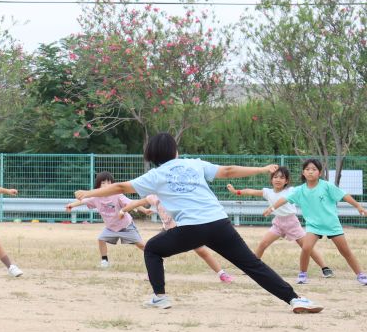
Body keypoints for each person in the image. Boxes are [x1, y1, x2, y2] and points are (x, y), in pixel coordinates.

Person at [73, 132, 322, 313]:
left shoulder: (155, 175)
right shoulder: (193, 164)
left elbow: (119, 186)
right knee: (251, 264)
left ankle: (160, 297)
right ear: (174, 151)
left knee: (153, 249)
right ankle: (295, 299)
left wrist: (88, 193)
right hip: (219, 223)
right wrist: (261, 170)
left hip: (191, 229)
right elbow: (228, 171)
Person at [265, 158, 367, 286]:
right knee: (306, 248)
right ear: (303, 172)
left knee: (345, 251)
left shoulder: (327, 186)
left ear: (319, 172)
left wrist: (358, 206)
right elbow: (284, 199)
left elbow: (344, 195)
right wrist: (272, 208)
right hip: (313, 226)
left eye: (314, 169)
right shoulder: (299, 190)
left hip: (332, 224)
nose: (310, 172)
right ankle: (302, 274)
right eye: (307, 169)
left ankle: (360, 275)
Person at [226, 166, 331, 279]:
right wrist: (235, 191)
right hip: (278, 223)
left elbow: (300, 194)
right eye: (275, 177)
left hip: (292, 223)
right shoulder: (268, 192)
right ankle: (252, 268)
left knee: (306, 247)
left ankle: (325, 268)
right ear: (271, 179)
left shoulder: (291, 191)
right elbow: (250, 191)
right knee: (262, 244)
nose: (278, 179)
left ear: (286, 181)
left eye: (282, 177)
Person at [121, 194, 234, 283]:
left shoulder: (174, 194)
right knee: (153, 250)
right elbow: (136, 203)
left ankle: (222, 274)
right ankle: (153, 274)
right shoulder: (153, 197)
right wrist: (122, 210)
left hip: (183, 228)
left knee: (201, 251)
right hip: (168, 230)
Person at [65, 171, 144, 268]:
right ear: (98, 185)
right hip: (110, 227)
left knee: (141, 245)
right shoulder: (96, 197)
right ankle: (104, 261)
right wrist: (71, 205)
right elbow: (83, 201)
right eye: (103, 183)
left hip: (126, 226)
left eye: (109, 182)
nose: (106, 185)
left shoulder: (117, 195)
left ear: (113, 184)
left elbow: (131, 203)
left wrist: (144, 210)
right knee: (101, 239)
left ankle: (155, 257)